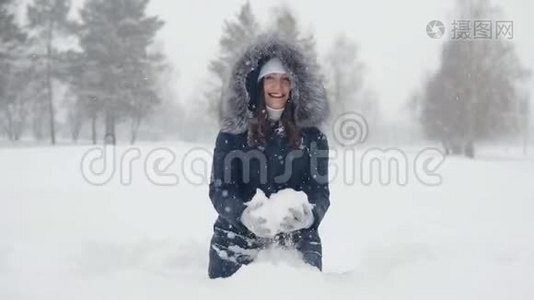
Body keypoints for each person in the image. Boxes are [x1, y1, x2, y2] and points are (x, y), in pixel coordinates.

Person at [208, 34, 330, 279]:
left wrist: (309, 216)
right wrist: (242, 213)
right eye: (270, 79)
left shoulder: (314, 137)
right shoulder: (232, 135)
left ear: (296, 85)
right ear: (257, 83)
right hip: (235, 238)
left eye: (286, 80)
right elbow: (220, 189)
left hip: (296, 239)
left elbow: (320, 192)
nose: (278, 87)